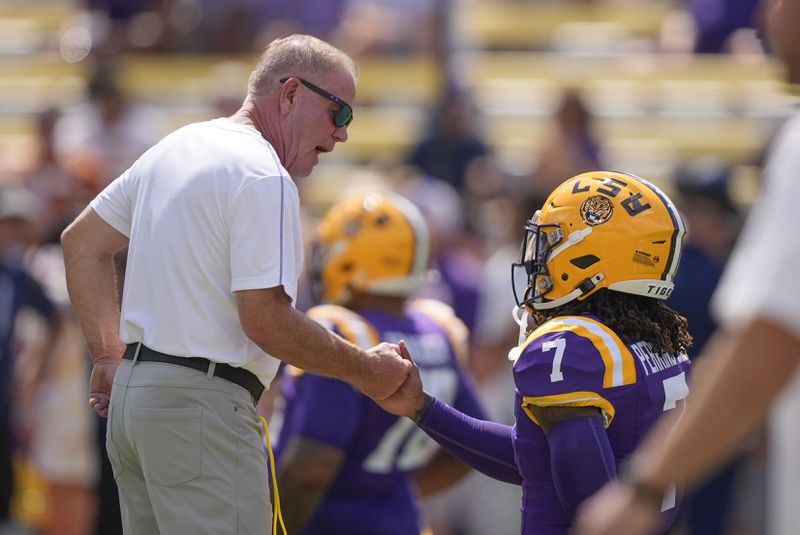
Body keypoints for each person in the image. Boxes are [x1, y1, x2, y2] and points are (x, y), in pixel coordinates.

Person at [60, 34, 412, 534]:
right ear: (290, 94)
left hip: (136, 405)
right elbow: (266, 321)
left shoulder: (177, 145)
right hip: (200, 411)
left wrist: (107, 356)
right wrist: (365, 370)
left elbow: (81, 244)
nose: (342, 135)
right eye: (339, 113)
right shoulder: (264, 174)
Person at [572, 0, 800, 533]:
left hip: (699, 418)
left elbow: (769, 340)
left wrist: (642, 490)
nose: (765, 17)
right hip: (716, 417)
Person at [376, 170, 693, 534]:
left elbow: (593, 508)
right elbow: (535, 459)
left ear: (588, 256)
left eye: (551, 242)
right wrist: (423, 408)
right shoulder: (653, 340)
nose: (537, 258)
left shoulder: (570, 345)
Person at [272, 191, 485, 534]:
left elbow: (310, 469)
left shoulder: (343, 331)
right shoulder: (439, 331)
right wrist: (389, 492)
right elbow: (471, 446)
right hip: (401, 521)